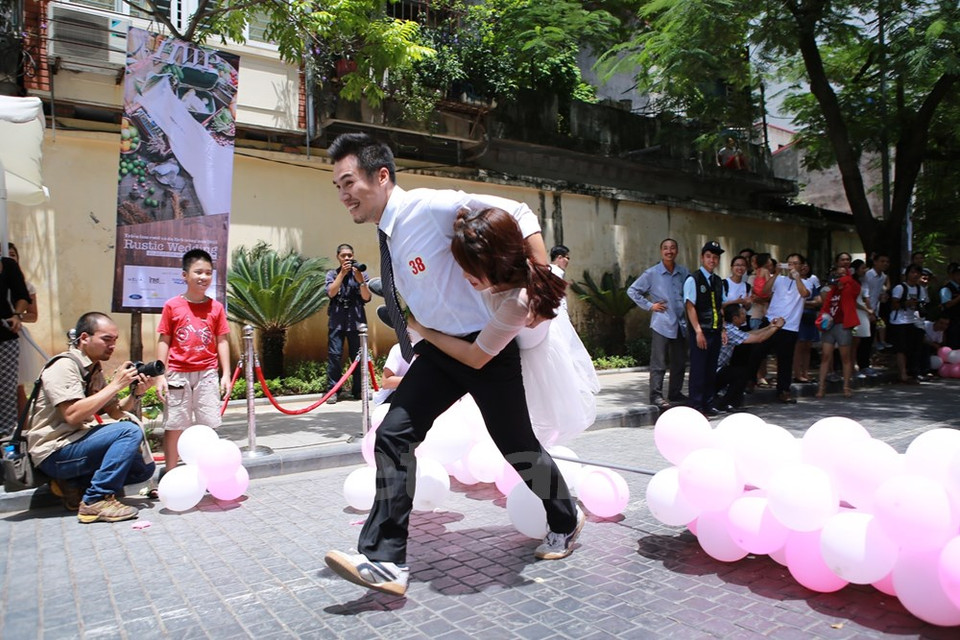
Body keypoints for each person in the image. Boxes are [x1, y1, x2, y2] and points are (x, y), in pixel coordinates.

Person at [322, 133, 583, 597]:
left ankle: (565, 518)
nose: (343, 195)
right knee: (393, 434)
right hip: (440, 351)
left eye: (349, 182)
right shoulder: (388, 233)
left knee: (518, 447)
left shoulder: (428, 207)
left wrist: (541, 280)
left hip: (486, 349)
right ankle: (386, 560)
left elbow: (520, 213)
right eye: (337, 186)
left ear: (381, 176)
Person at [25, 312, 156, 523]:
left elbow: (114, 411)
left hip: (77, 444)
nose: (112, 346)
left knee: (143, 469)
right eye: (106, 339)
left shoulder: (93, 369)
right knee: (128, 431)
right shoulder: (63, 366)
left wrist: (135, 394)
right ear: (85, 338)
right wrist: (116, 385)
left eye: (115, 340)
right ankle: (95, 500)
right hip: (54, 450)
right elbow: (72, 415)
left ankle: (73, 486)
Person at [155, 249, 231, 478]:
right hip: (177, 374)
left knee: (208, 425)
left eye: (208, 273)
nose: (203, 277)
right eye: (198, 272)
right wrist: (160, 375)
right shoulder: (172, 306)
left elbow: (222, 340)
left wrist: (226, 374)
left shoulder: (216, 307)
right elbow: (164, 339)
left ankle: (208, 472)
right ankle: (170, 472)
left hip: (207, 373)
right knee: (175, 424)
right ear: (185, 275)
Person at [627, 238, 690, 409]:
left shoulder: (684, 272)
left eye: (672, 248)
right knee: (659, 362)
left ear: (677, 251)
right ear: (661, 251)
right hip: (662, 324)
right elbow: (632, 290)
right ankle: (656, 395)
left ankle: (675, 393)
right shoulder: (652, 273)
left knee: (679, 362)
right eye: (665, 248)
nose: (669, 251)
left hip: (681, 324)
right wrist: (650, 306)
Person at [755, 253, 809, 403]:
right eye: (789, 263)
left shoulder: (807, 282)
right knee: (757, 352)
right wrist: (777, 273)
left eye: (795, 263)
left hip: (790, 326)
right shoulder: (779, 279)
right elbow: (764, 291)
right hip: (770, 321)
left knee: (785, 360)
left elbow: (804, 293)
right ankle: (750, 382)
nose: (792, 266)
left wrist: (797, 277)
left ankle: (784, 390)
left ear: (802, 266)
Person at [714, 304, 784, 411]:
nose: (745, 315)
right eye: (742, 313)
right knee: (742, 372)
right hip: (714, 372)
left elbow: (750, 334)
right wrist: (776, 327)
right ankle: (728, 403)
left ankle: (725, 401)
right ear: (735, 318)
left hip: (715, 370)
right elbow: (759, 338)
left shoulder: (729, 328)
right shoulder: (730, 331)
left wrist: (770, 327)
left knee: (739, 370)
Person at [684, 241, 726, 417]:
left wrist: (723, 329)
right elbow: (690, 306)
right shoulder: (693, 279)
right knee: (699, 370)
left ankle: (708, 403)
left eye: (715, 257)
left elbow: (720, 306)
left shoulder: (718, 281)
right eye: (708, 256)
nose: (712, 260)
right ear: (702, 258)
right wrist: (698, 331)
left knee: (711, 370)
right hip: (701, 331)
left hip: (715, 330)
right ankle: (696, 405)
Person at [325, 243, 372, 404]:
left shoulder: (361, 274)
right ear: (338, 257)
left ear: (353, 256)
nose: (347, 258)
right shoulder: (332, 274)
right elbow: (331, 293)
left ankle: (359, 390)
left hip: (357, 322)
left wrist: (360, 281)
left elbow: (367, 297)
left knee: (359, 356)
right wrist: (342, 275)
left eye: (349, 255)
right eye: (343, 256)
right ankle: (333, 391)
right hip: (337, 321)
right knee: (335, 356)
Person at [815, 266, 860, 398]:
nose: (839, 277)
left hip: (843, 325)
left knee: (845, 357)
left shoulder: (850, 288)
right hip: (830, 324)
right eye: (837, 274)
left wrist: (845, 279)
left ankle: (846, 386)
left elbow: (856, 287)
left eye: (842, 274)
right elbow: (826, 306)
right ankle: (821, 387)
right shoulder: (832, 291)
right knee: (825, 356)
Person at [7, 243, 42, 416]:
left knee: (17, 387)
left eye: (12, 254)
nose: (9, 257)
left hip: (16, 336)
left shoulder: (26, 286)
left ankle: (23, 426)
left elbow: (33, 315)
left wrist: (16, 317)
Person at [1, 249, 30, 436]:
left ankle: (6, 437)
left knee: (6, 390)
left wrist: (17, 315)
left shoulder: (8, 265)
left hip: (5, 335)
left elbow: (23, 295)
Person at [889, 264, 927, 384]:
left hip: (913, 321)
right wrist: (906, 303)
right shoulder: (900, 288)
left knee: (912, 348)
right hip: (899, 321)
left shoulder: (920, 289)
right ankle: (903, 374)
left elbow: (923, 303)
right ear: (907, 274)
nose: (915, 275)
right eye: (912, 272)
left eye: (917, 273)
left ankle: (912, 372)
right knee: (901, 348)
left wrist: (919, 306)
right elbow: (893, 305)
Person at [793, 258, 821, 383]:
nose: (804, 267)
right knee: (798, 346)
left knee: (808, 346)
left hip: (810, 318)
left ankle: (805, 372)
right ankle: (797, 373)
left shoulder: (811, 283)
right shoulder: (792, 282)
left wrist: (805, 303)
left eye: (806, 265)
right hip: (798, 318)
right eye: (802, 264)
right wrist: (808, 303)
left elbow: (818, 301)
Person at [863, 253, 891, 350]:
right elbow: (864, 294)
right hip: (864, 309)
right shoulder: (868, 275)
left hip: (875, 310)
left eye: (887, 262)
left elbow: (877, 293)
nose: (885, 264)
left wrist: (882, 297)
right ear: (875, 262)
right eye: (882, 261)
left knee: (870, 337)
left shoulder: (883, 276)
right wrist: (869, 310)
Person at [939, 263, 960, 349]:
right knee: (953, 346)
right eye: (958, 274)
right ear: (952, 275)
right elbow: (947, 304)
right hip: (952, 323)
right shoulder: (946, 289)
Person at [549, 245, 571, 314]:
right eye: (567, 258)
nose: (568, 261)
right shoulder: (556, 272)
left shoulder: (548, 270)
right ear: (560, 257)